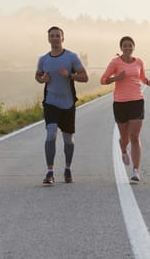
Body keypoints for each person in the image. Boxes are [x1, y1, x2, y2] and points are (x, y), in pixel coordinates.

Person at [35, 26, 89, 185]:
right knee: (51, 133)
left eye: (57, 36)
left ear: (63, 38)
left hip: (67, 104)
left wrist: (70, 75)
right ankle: (50, 172)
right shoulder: (43, 59)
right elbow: (37, 76)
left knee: (68, 140)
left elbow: (85, 77)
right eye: (52, 36)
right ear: (48, 39)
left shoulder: (72, 57)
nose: (55, 38)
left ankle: (67, 168)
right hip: (51, 102)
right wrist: (42, 80)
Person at [100, 36, 150, 182]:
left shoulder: (139, 62)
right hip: (120, 103)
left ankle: (136, 171)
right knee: (124, 138)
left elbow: (142, 77)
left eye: (130, 45)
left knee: (135, 137)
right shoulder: (115, 62)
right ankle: (124, 150)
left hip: (137, 101)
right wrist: (116, 78)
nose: (127, 48)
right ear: (121, 48)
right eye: (125, 46)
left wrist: (148, 82)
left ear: (133, 47)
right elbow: (103, 80)